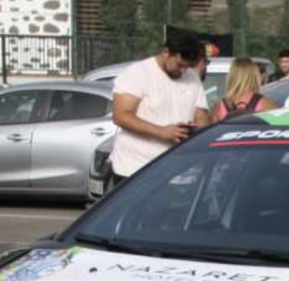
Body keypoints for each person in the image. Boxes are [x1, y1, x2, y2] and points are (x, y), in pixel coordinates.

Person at [110, 30, 211, 184]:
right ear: (166, 52)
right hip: (135, 170)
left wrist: (196, 131)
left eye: (188, 66)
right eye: (180, 65)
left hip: (179, 174)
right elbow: (121, 116)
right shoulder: (138, 73)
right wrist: (162, 132)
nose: (183, 71)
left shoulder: (192, 77)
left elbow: (201, 115)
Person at [212, 57, 278, 121]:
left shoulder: (220, 106)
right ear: (254, 76)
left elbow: (213, 127)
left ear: (231, 76)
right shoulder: (265, 104)